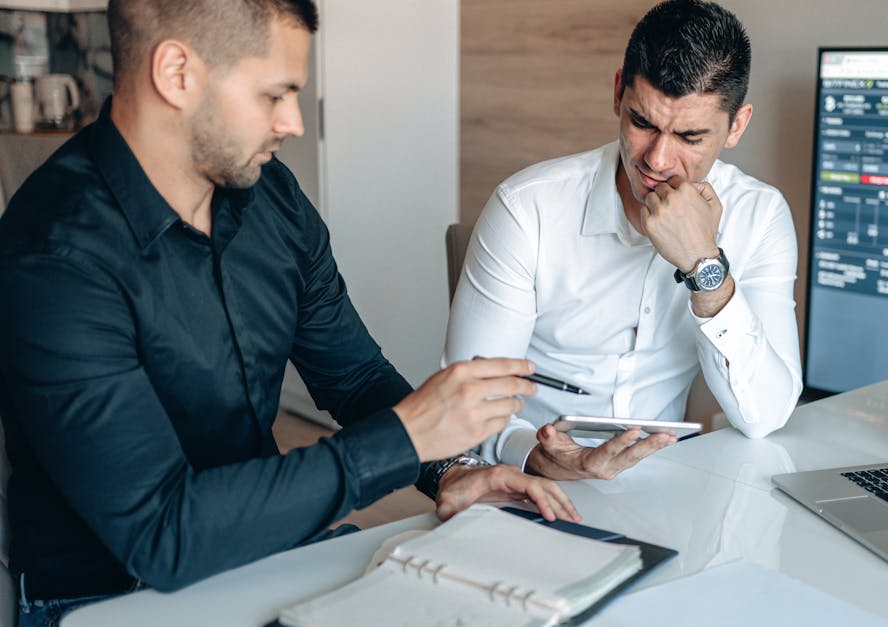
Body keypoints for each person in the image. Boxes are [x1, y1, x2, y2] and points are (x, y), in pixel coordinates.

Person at [0, 1, 576, 623]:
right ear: (176, 74)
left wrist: (448, 470)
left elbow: (351, 375)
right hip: (104, 596)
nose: (294, 122)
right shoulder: (54, 254)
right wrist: (406, 437)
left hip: (266, 553)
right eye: (275, 95)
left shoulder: (272, 198)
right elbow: (161, 533)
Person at [445, 0, 803, 480]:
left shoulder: (760, 216)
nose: (657, 159)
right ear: (618, 93)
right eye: (643, 123)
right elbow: (464, 403)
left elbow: (765, 415)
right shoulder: (527, 208)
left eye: (690, 137)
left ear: (736, 126)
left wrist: (705, 269)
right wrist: (536, 454)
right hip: (529, 476)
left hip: (671, 482)